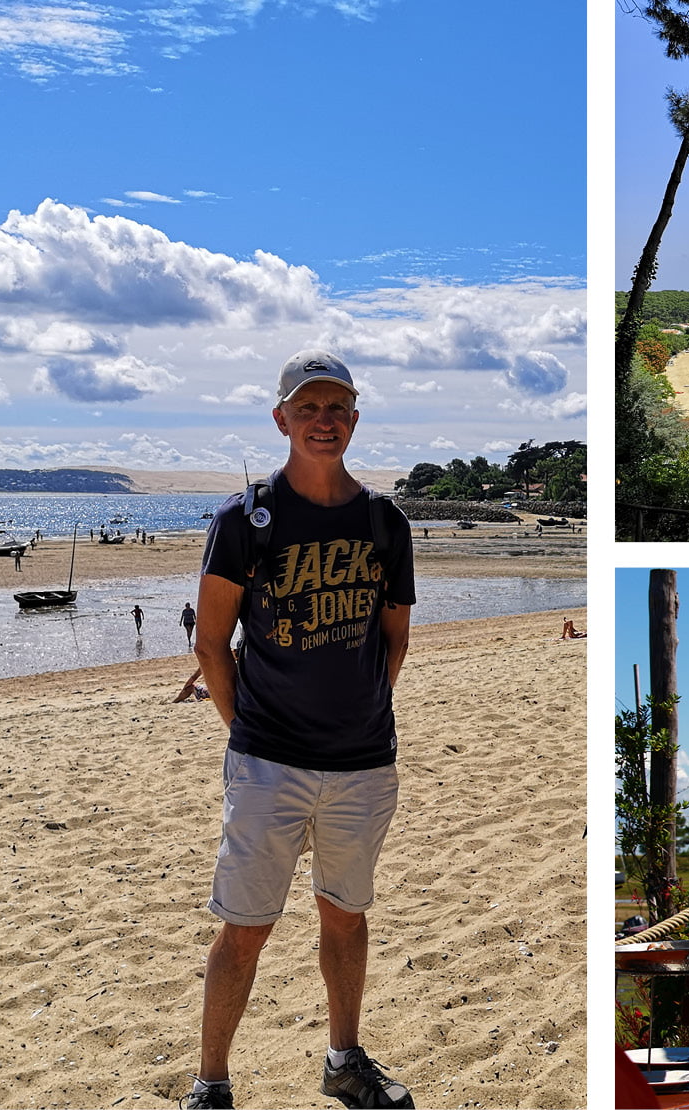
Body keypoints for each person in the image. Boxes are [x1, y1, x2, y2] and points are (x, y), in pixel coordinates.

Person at [181, 350, 416, 1110]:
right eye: (308, 408)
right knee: (244, 929)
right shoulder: (244, 521)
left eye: (336, 407)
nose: (324, 420)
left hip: (363, 765)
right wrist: (248, 730)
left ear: (355, 418)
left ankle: (344, 1061)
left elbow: (395, 640)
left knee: (346, 919)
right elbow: (211, 644)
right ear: (281, 419)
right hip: (268, 764)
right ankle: (211, 1084)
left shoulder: (385, 522)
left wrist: (359, 714)